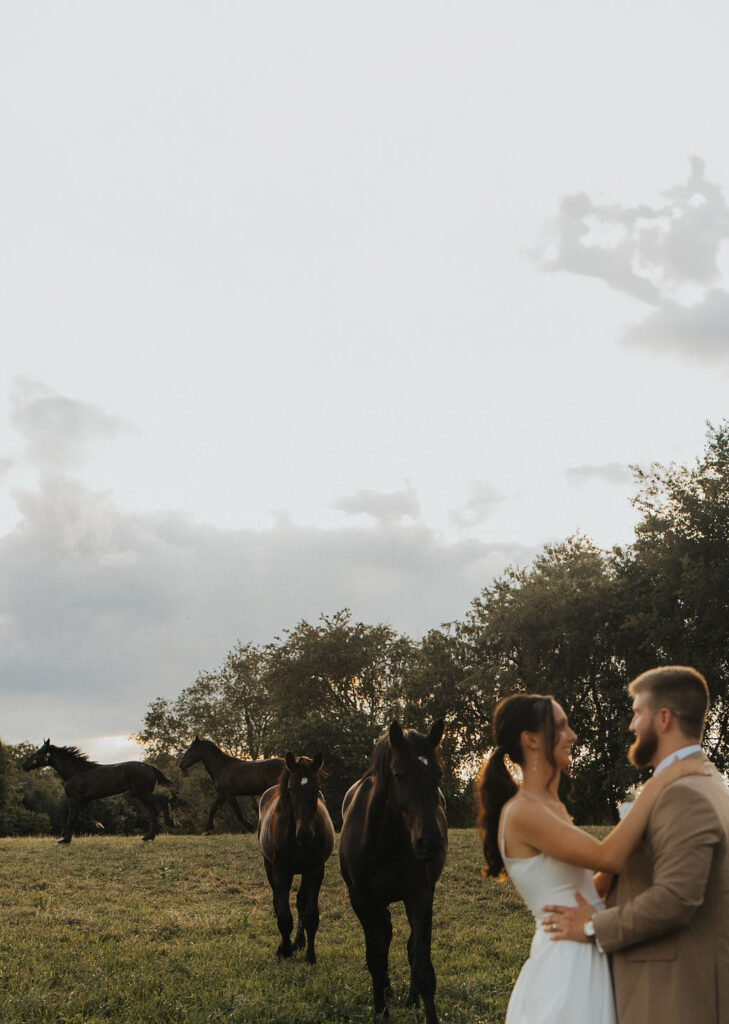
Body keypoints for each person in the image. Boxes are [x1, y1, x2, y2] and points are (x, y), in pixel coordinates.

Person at [476, 690, 709, 1024]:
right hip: (565, 962)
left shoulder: (552, 807)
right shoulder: (523, 811)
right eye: (561, 726)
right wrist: (661, 781)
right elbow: (609, 857)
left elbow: (592, 884)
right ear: (529, 739)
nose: (571, 735)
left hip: (586, 942)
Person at [542, 666, 729, 1024]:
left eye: (637, 712)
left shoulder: (686, 793)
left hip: (673, 997)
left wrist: (593, 926)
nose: (631, 725)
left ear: (663, 718)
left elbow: (676, 897)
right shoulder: (704, 779)